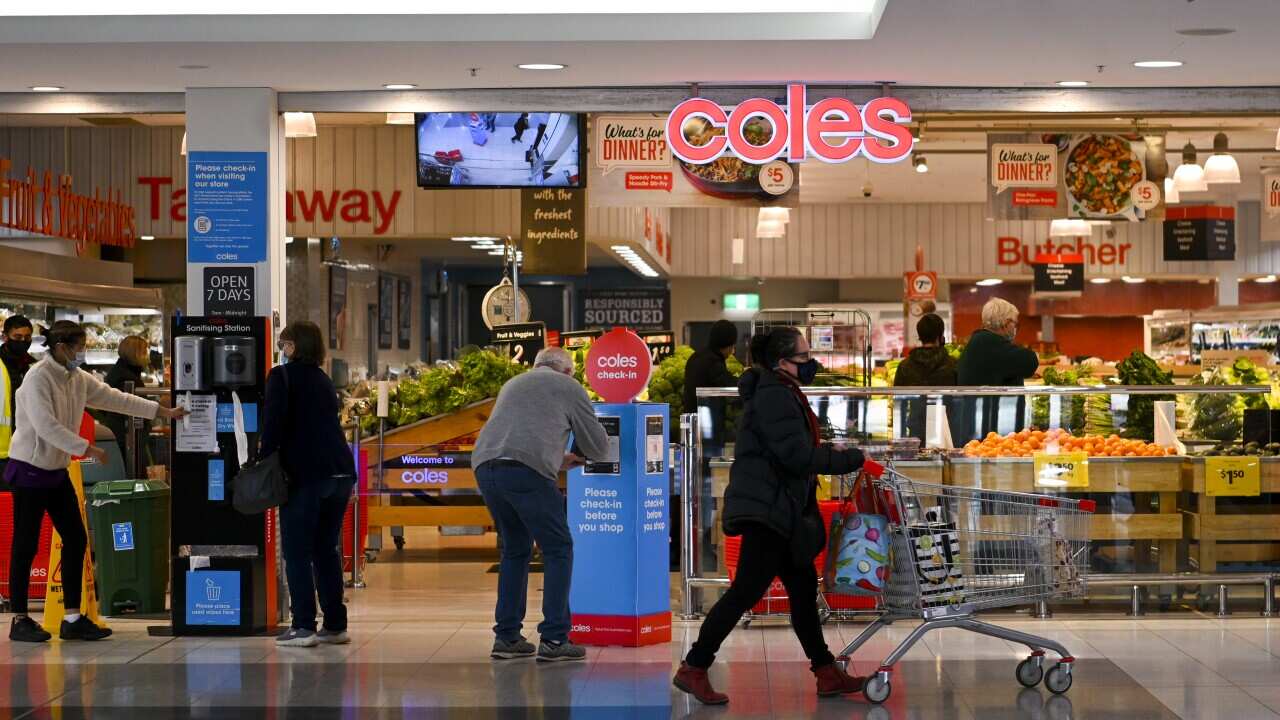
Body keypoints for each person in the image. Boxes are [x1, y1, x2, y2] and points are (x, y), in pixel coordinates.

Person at [674, 327, 880, 705]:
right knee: (744, 593)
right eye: (803, 357)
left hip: (779, 509)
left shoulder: (779, 391)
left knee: (802, 591)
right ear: (782, 362)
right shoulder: (774, 396)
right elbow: (796, 456)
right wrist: (851, 458)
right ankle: (694, 666)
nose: (810, 363)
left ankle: (826, 672)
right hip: (768, 512)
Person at [5, 321, 187, 643]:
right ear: (61, 347)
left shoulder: (76, 378)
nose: (81, 352)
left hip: (56, 470)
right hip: (31, 469)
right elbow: (44, 425)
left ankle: (73, 618)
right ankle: (19, 618)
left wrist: (163, 411)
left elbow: (115, 398)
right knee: (26, 543)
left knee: (76, 539)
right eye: (78, 346)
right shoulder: (38, 378)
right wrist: (84, 448)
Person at [471, 347, 609, 663]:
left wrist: (556, 459)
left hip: (486, 467)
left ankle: (506, 637)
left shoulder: (514, 383)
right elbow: (599, 447)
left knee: (516, 549)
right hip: (524, 471)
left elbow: (515, 439)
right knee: (558, 547)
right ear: (567, 371)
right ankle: (555, 638)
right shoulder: (569, 387)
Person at [262, 321, 358, 648]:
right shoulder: (323, 379)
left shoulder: (281, 376)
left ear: (292, 346)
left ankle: (302, 625)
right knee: (325, 549)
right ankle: (334, 625)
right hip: (341, 473)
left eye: (283, 344)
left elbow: (272, 425)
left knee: (297, 551)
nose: (281, 349)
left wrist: (262, 459)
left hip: (305, 475)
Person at [956, 298, 1040, 439]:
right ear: (1006, 324)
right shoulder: (991, 344)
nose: (1015, 329)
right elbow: (1030, 361)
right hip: (993, 433)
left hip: (979, 426)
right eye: (1015, 324)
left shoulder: (978, 341)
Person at [894, 313, 958, 442]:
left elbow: (898, 401)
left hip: (916, 429)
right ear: (941, 337)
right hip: (946, 428)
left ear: (920, 336)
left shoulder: (905, 366)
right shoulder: (953, 365)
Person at [96, 335, 151, 463]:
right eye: (145, 352)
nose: (147, 356)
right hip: (127, 438)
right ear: (137, 354)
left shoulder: (118, 371)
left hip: (120, 434)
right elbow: (138, 408)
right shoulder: (128, 378)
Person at [0, 315, 36, 484]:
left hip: (25, 448)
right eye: (17, 337)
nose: (23, 341)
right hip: (2, 451)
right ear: (5, 337)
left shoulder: (31, 366)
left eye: (27, 337)